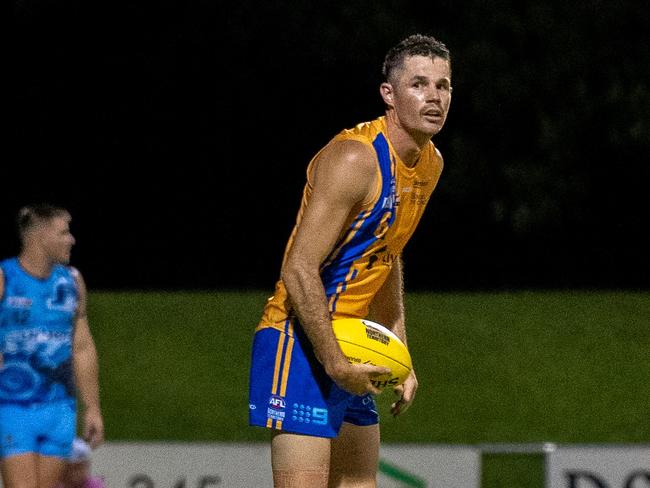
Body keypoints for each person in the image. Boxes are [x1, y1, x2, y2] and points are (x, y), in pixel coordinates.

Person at [248, 34, 453, 487]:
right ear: (389, 94)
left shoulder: (430, 164)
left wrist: (400, 349)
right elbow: (298, 268)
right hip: (298, 337)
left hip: (351, 340)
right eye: (419, 84)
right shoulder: (355, 158)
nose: (434, 96)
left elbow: (387, 253)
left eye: (444, 85)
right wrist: (333, 359)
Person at [0, 204, 104, 488]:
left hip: (59, 410)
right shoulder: (5, 277)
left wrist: (92, 407)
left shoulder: (72, 282)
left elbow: (81, 347)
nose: (71, 239)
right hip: (13, 407)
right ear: (40, 236)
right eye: (64, 232)